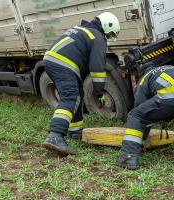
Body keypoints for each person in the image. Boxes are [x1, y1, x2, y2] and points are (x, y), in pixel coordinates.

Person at [41, 12, 121, 155]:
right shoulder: (97, 36)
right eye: (109, 35)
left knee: (78, 92)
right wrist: (99, 92)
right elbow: (97, 68)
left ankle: (74, 130)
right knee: (70, 96)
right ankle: (55, 136)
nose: (107, 39)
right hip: (63, 63)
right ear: (106, 26)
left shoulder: (82, 29)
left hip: (52, 60)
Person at [117, 62, 174, 169]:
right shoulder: (170, 68)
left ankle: (128, 157)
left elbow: (141, 111)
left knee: (135, 115)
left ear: (141, 73)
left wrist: (142, 139)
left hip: (173, 95)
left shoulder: (146, 77)